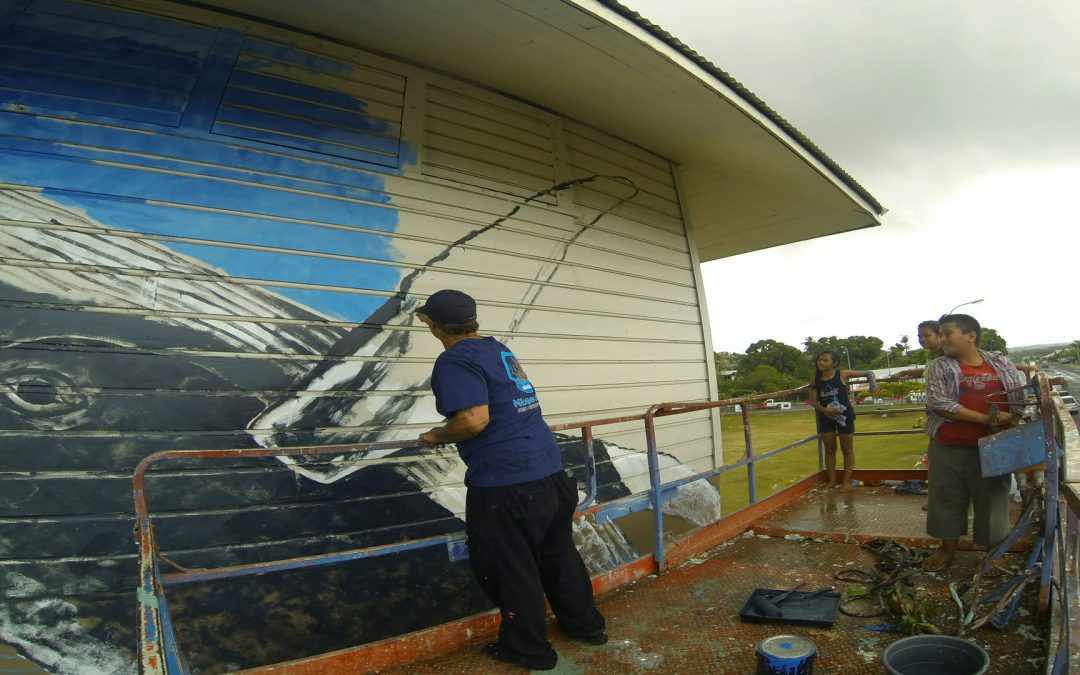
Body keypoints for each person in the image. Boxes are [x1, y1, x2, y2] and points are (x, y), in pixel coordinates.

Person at [415, 289, 606, 670]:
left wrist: (436, 436)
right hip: (550, 472)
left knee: (511, 568)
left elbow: (473, 419)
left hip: (507, 484)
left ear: (430, 323)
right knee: (559, 556)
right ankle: (587, 626)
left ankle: (529, 650)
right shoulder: (496, 348)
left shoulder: (454, 360)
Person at [922, 313, 1024, 571]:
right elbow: (940, 404)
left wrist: (1012, 417)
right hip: (949, 446)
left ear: (971, 336)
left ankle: (994, 553)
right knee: (946, 497)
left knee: (993, 498)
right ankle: (947, 550)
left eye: (948, 333)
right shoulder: (939, 366)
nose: (942, 339)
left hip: (993, 446)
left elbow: (1018, 397)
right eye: (941, 334)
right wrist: (986, 419)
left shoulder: (1000, 363)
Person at [807, 349, 879, 492]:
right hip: (826, 417)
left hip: (845, 417)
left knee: (847, 449)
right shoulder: (815, 379)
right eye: (819, 360)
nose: (821, 362)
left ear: (834, 363)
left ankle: (846, 481)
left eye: (825, 360)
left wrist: (873, 385)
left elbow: (869, 373)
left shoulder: (842, 374)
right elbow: (813, 401)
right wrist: (826, 410)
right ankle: (832, 481)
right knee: (830, 449)